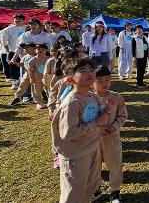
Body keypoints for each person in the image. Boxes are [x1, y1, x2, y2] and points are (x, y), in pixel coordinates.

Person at [51, 58, 117, 203]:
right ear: (70, 79)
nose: (89, 74)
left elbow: (98, 117)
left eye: (91, 71)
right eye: (83, 71)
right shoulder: (72, 103)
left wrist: (107, 110)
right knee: (74, 192)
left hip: (92, 149)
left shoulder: (92, 96)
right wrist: (96, 123)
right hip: (76, 155)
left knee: (89, 188)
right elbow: (68, 133)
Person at [93, 66, 127, 203]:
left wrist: (114, 127)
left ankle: (115, 192)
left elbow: (122, 116)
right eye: (99, 81)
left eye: (107, 80)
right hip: (94, 139)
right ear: (92, 83)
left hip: (112, 138)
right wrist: (96, 130)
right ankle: (95, 189)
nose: (104, 83)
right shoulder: (89, 98)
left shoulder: (117, 97)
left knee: (115, 165)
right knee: (94, 166)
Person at [28, 44, 50, 109]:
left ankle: (50, 102)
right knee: (37, 91)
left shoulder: (48, 59)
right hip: (37, 78)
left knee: (49, 90)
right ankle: (40, 103)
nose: (41, 50)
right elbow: (30, 71)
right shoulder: (32, 60)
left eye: (43, 49)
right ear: (35, 50)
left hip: (47, 78)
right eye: (38, 49)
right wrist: (31, 78)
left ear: (46, 51)